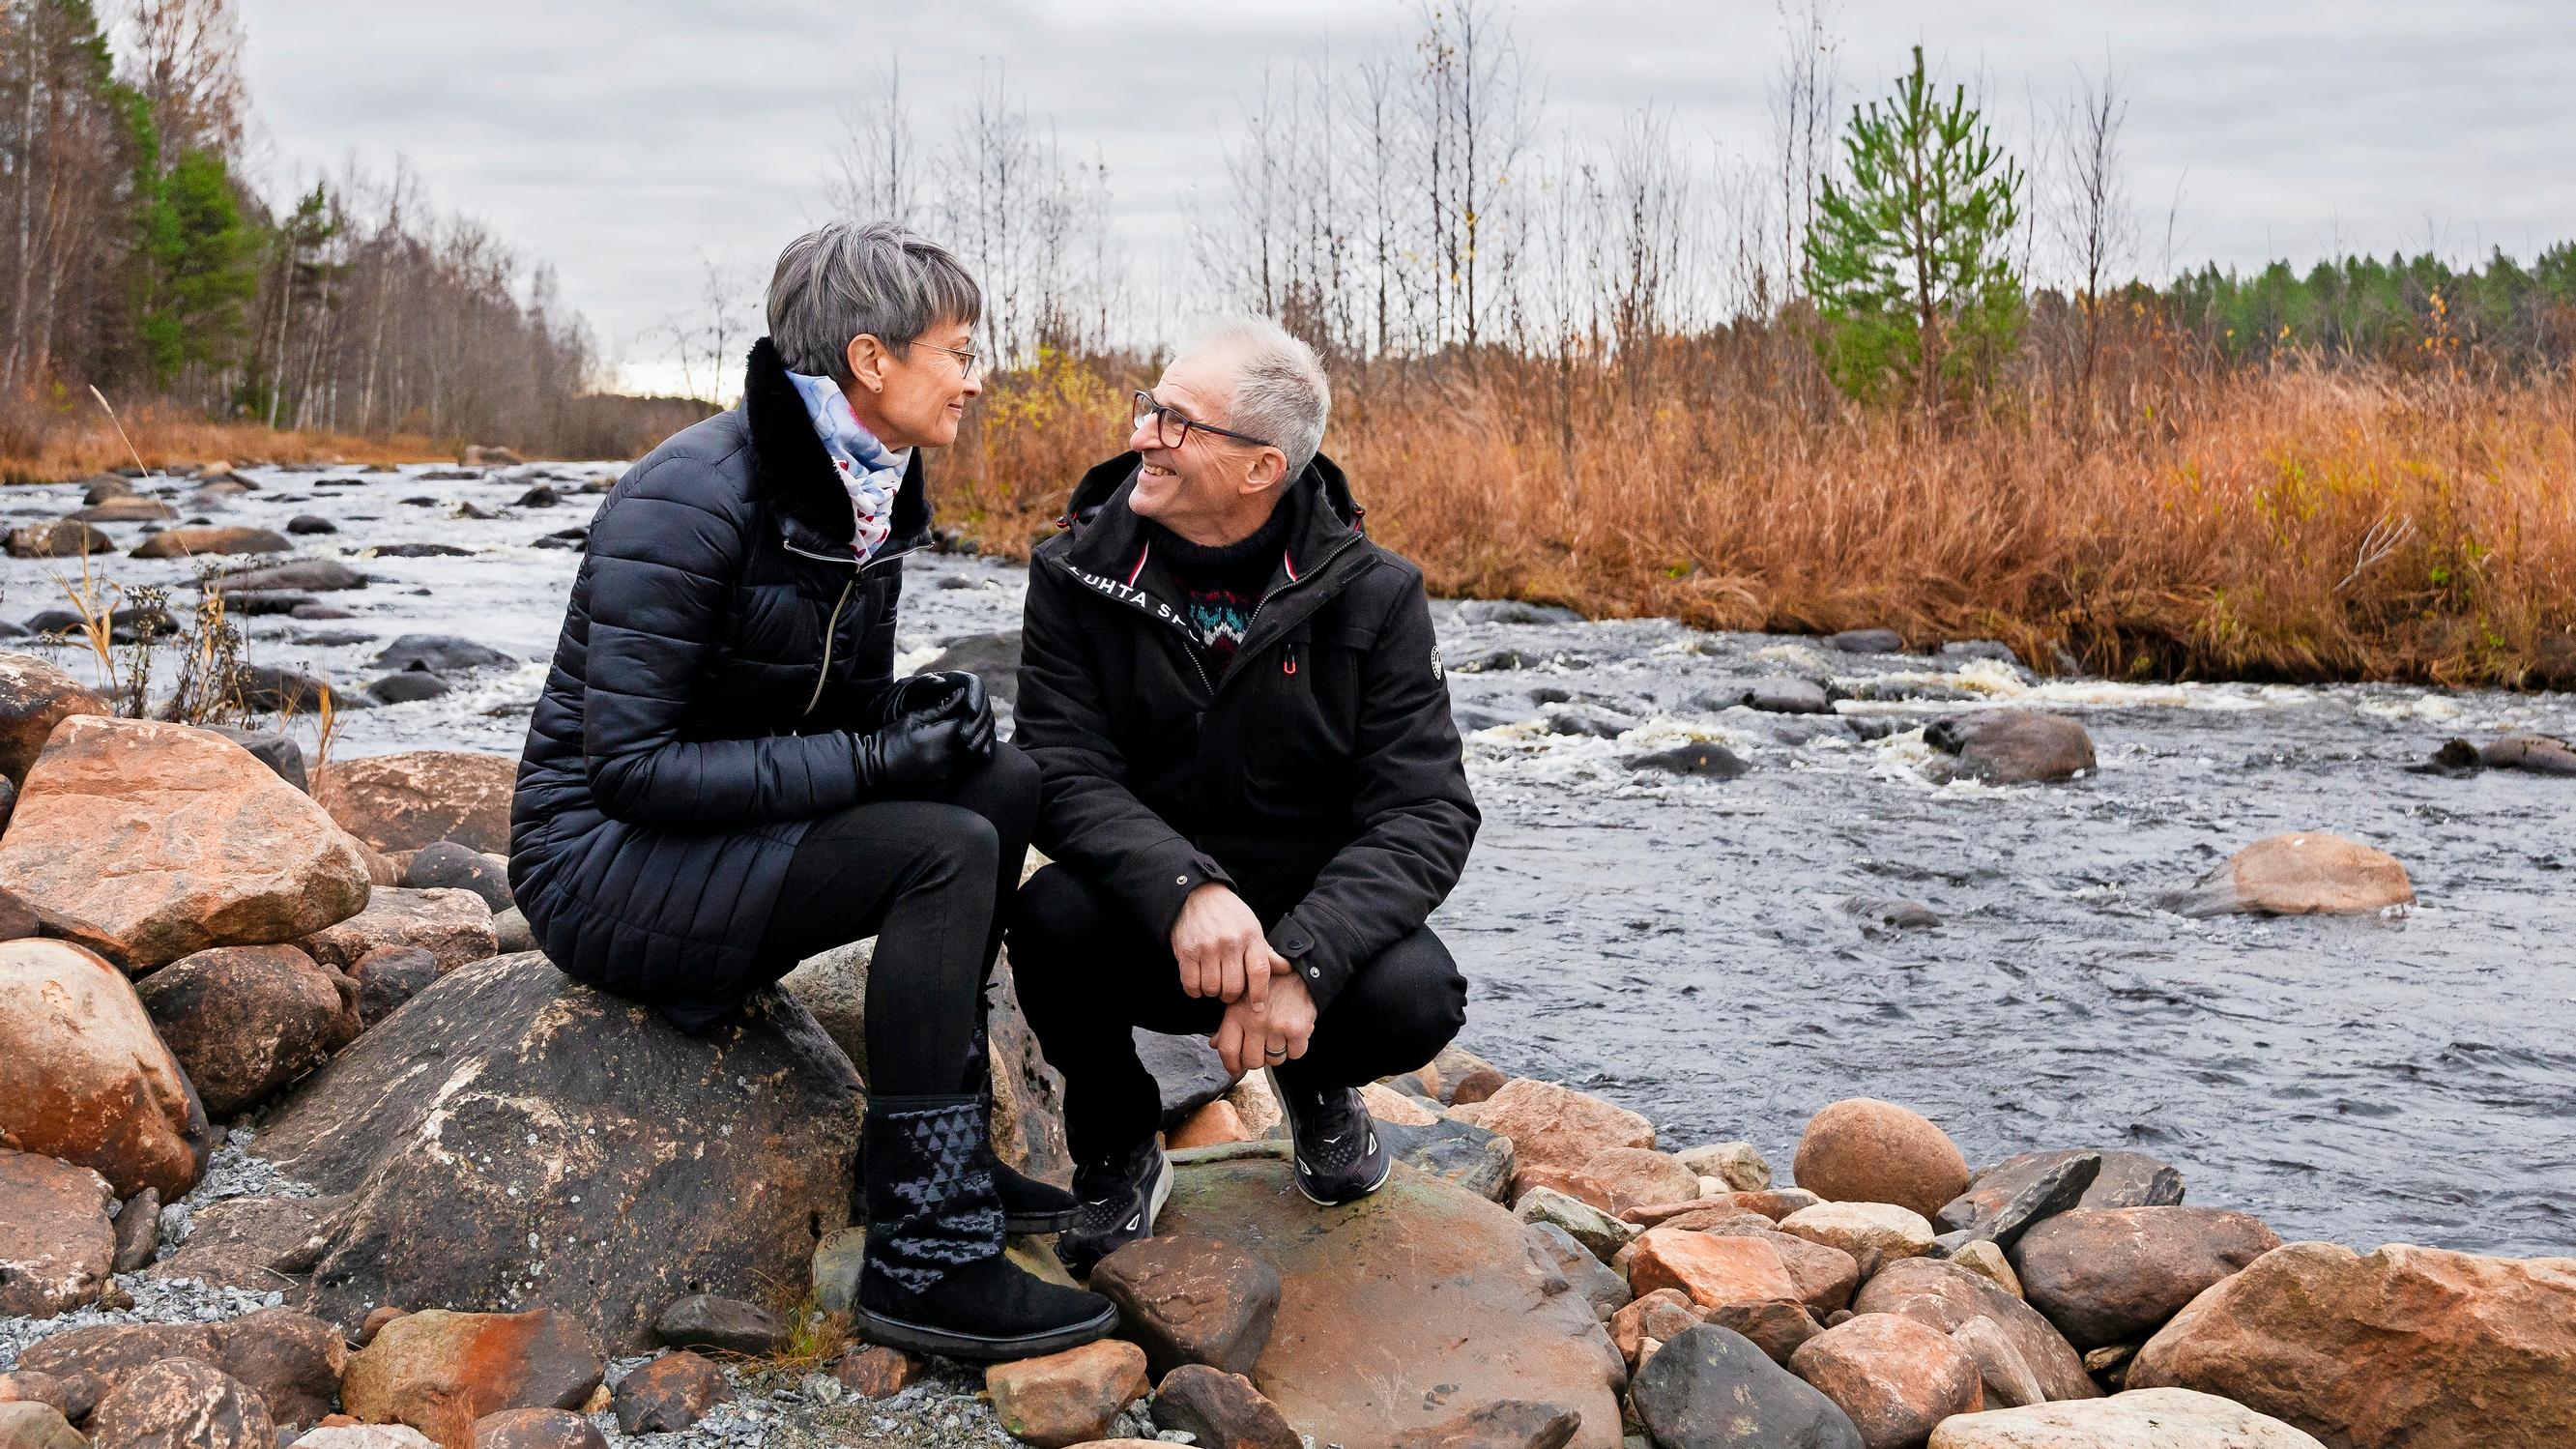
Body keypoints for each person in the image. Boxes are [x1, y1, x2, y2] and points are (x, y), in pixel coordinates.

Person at [507, 220, 1116, 1360]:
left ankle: (940, 1156)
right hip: (595, 863)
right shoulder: (687, 496)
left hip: (716, 834)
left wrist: (913, 721)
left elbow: (816, 717)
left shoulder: (862, 491)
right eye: (960, 348)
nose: (977, 378)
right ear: (873, 360)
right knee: (941, 851)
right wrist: (876, 763)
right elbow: (629, 767)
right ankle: (925, 1258)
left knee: (1001, 782)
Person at [1009, 317, 1480, 1271]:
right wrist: (1184, 887)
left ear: (1261, 468)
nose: (1142, 432)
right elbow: (1059, 768)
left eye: (1176, 422)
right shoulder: (1073, 572)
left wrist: (1305, 961)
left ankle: (1318, 1085)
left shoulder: (1378, 594)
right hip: (1152, 923)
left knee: (1419, 993)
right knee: (1048, 918)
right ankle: (1116, 1142)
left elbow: (1425, 809)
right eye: (1150, 406)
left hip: (1309, 925)